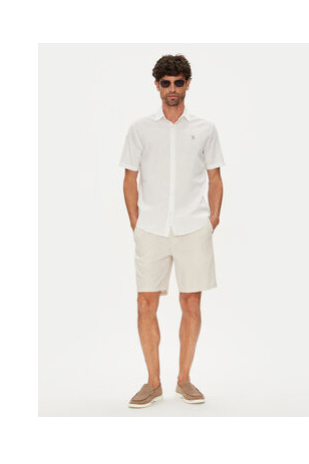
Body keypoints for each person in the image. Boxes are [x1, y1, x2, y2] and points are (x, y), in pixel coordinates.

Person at [119, 54, 225, 408]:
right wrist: (136, 222)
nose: (172, 89)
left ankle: (184, 379)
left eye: (179, 82)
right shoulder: (140, 129)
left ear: (188, 84)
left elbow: (215, 176)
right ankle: (153, 383)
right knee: (145, 303)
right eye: (166, 83)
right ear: (157, 86)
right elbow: (129, 178)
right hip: (151, 228)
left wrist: (212, 219)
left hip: (193, 226)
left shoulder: (205, 128)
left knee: (191, 302)